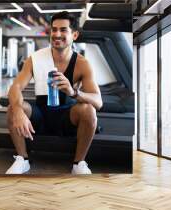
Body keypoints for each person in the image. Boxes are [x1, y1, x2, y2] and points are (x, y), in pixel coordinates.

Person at [6, 11, 103, 174]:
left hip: (67, 115)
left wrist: (74, 92)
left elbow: (98, 101)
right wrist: (17, 110)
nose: (57, 34)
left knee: (89, 110)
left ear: (75, 35)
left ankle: (78, 163)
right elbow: (15, 87)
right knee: (13, 108)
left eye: (63, 30)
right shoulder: (34, 59)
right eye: (54, 29)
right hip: (40, 114)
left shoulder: (82, 64)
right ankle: (23, 159)